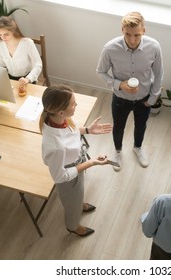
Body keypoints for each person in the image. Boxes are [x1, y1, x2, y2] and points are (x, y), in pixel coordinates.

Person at [39, 84, 113, 237]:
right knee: (72, 204)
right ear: (60, 111)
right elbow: (60, 177)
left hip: (76, 164)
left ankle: (79, 203)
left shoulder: (58, 119)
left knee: (78, 194)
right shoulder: (56, 147)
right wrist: (91, 162)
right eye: (73, 104)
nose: (76, 105)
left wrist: (87, 130)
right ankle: (73, 226)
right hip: (68, 178)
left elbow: (69, 132)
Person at [96, 11, 164, 171]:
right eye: (128, 34)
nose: (132, 40)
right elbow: (100, 72)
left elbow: (159, 73)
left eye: (137, 35)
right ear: (122, 30)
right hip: (120, 99)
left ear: (144, 31)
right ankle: (118, 151)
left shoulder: (154, 47)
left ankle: (138, 148)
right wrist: (119, 84)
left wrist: (153, 99)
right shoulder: (110, 48)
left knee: (141, 126)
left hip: (144, 99)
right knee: (118, 127)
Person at [0, 16, 42, 86]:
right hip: (10, 79)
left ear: (13, 31)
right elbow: (1, 62)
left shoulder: (27, 43)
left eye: (6, 34)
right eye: (0, 35)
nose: (3, 38)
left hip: (27, 79)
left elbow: (38, 65)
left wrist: (28, 79)